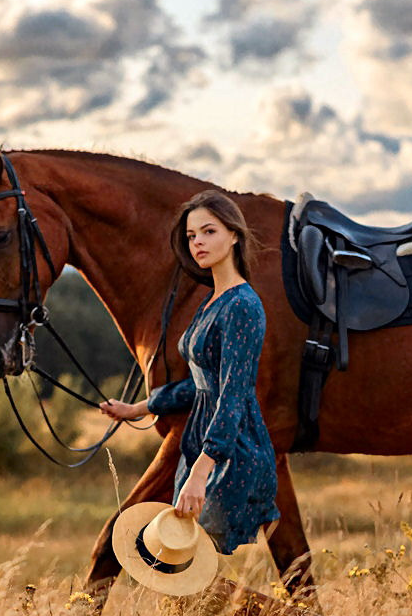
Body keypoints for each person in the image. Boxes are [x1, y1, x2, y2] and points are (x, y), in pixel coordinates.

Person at [99, 189, 279, 562]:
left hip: (230, 458)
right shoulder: (212, 300)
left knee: (192, 575)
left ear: (234, 235)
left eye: (209, 231)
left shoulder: (243, 306)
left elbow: (232, 394)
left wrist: (201, 471)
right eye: (191, 236)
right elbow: (201, 386)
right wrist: (140, 408)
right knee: (181, 576)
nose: (198, 242)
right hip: (198, 452)